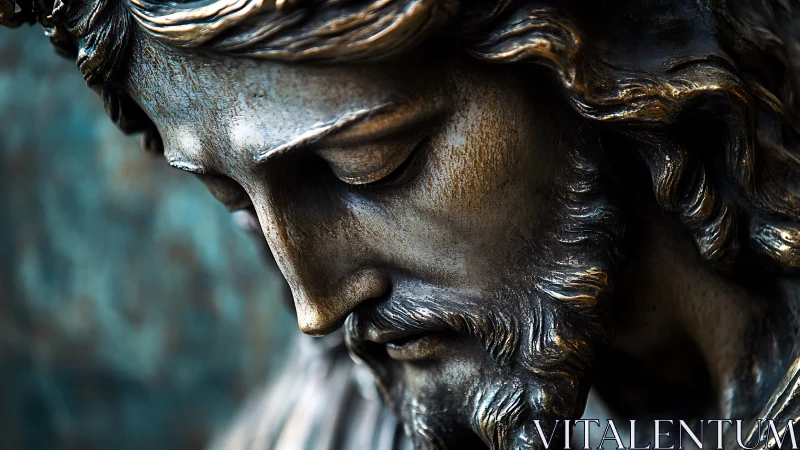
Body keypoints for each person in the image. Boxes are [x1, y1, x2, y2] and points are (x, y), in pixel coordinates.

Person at [3, 0, 800, 448]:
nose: (316, 304)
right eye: (233, 198)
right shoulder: (333, 412)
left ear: (594, 67)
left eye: (368, 166)